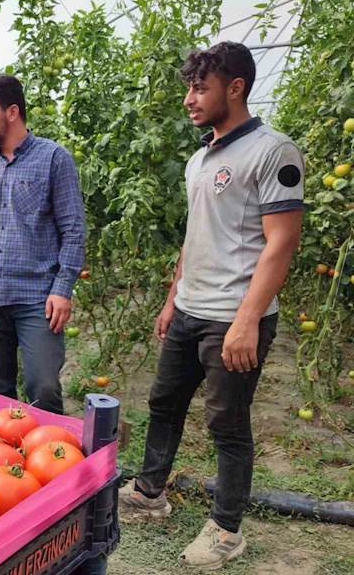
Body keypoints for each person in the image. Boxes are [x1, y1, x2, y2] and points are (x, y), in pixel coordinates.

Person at [118, 42, 304, 569]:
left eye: (200, 88)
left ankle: (226, 529)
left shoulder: (272, 150)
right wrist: (173, 296)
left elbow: (281, 242)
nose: (189, 99)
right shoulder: (200, 158)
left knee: (227, 423)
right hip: (191, 308)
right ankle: (149, 492)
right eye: (189, 88)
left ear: (235, 88)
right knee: (163, 403)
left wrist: (247, 320)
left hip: (233, 317)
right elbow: (195, 234)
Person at [0, 75, 86, 415]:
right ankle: (5, 459)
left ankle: (53, 460)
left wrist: (63, 288)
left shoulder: (55, 159)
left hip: (36, 298)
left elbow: (73, 229)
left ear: (12, 112)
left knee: (43, 386)